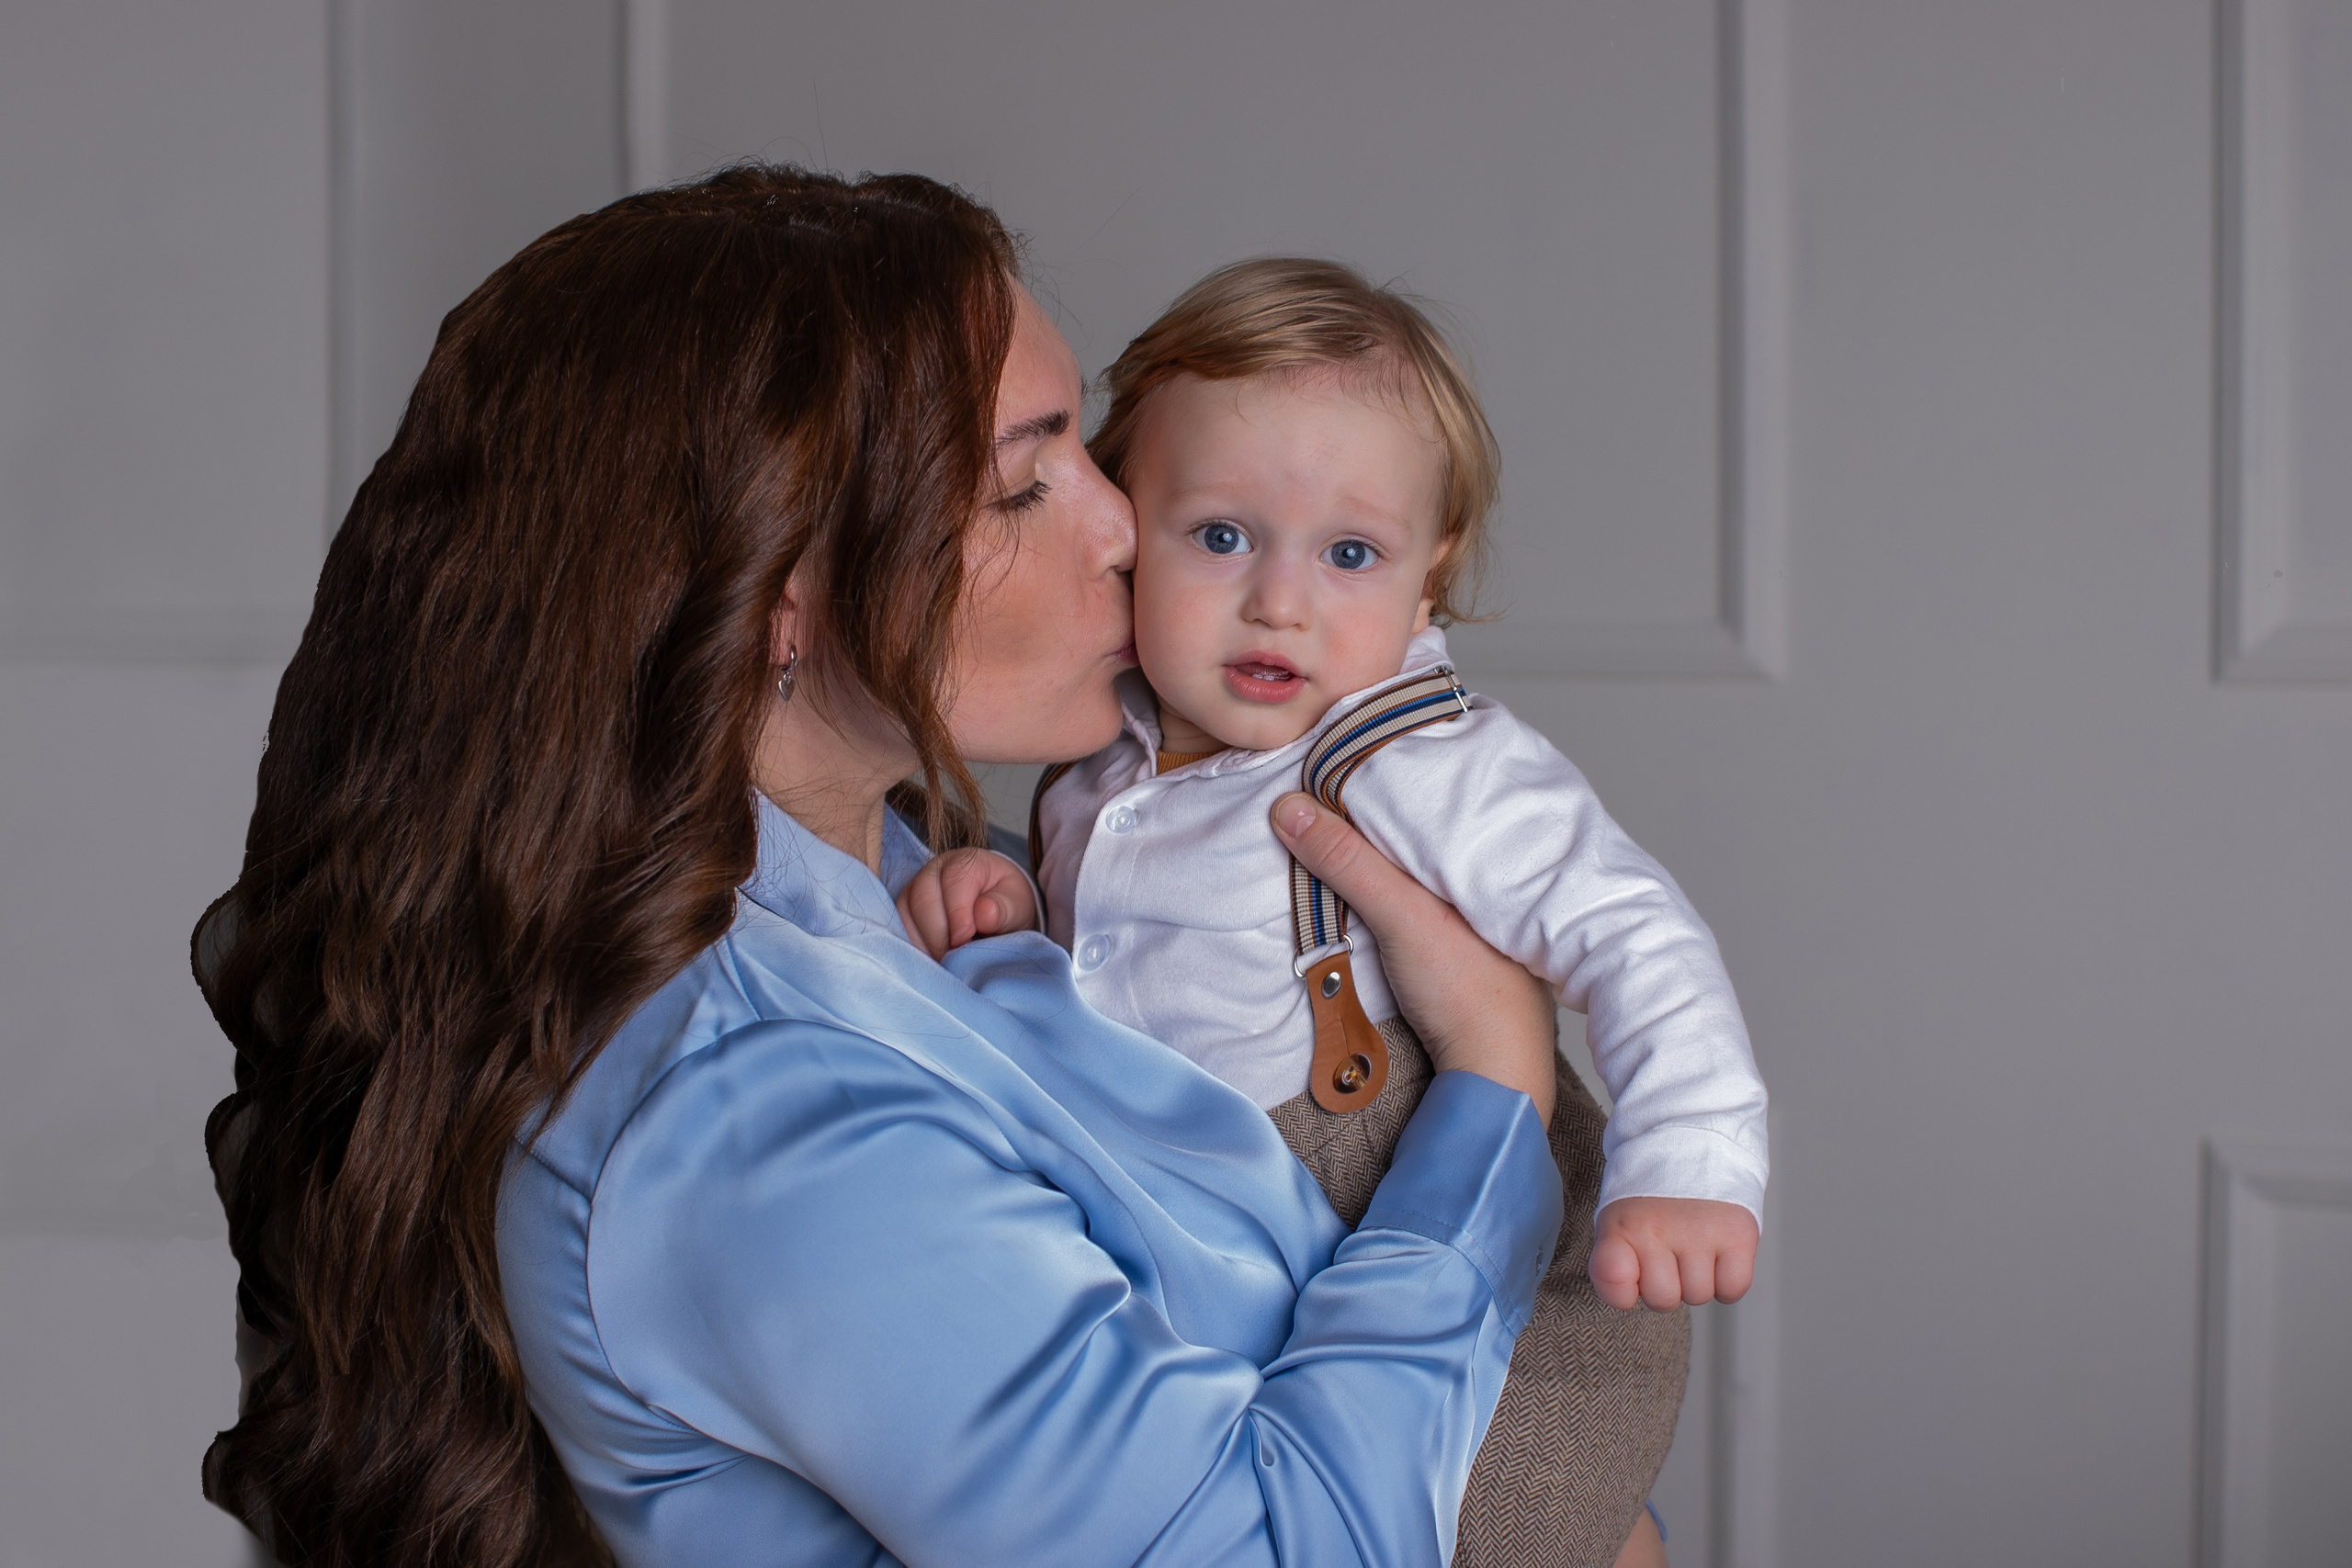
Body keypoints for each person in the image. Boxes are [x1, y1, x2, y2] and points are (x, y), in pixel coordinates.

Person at [197, 166, 1571, 1568]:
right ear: (780, 593)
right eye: (1024, 482)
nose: (1121, 527)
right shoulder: (760, 1119)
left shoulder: (903, 895)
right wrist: (1493, 1101)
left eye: (1087, 448)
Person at [897, 258, 1770, 1567]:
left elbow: (1631, 931)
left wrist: (1691, 1165)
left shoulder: (1415, 757)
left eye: (1351, 553)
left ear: (1430, 582)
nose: (1280, 600)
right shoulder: (1102, 756)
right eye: (1221, 536)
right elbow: (1132, 968)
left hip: (1485, 1276)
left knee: (1512, 1536)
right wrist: (1016, 911)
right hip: (1241, 1253)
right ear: (1127, 522)